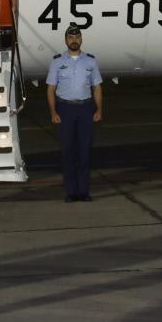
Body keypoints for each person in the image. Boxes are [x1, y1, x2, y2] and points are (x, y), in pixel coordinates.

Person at [47, 25, 104, 201]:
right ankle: (71, 192)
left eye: (77, 37)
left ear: (81, 40)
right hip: (65, 110)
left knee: (85, 151)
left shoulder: (90, 61)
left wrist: (99, 109)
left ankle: (83, 192)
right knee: (68, 151)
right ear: (66, 40)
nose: (74, 40)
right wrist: (53, 112)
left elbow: (97, 88)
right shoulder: (57, 62)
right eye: (71, 38)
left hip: (86, 109)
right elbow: (50, 90)